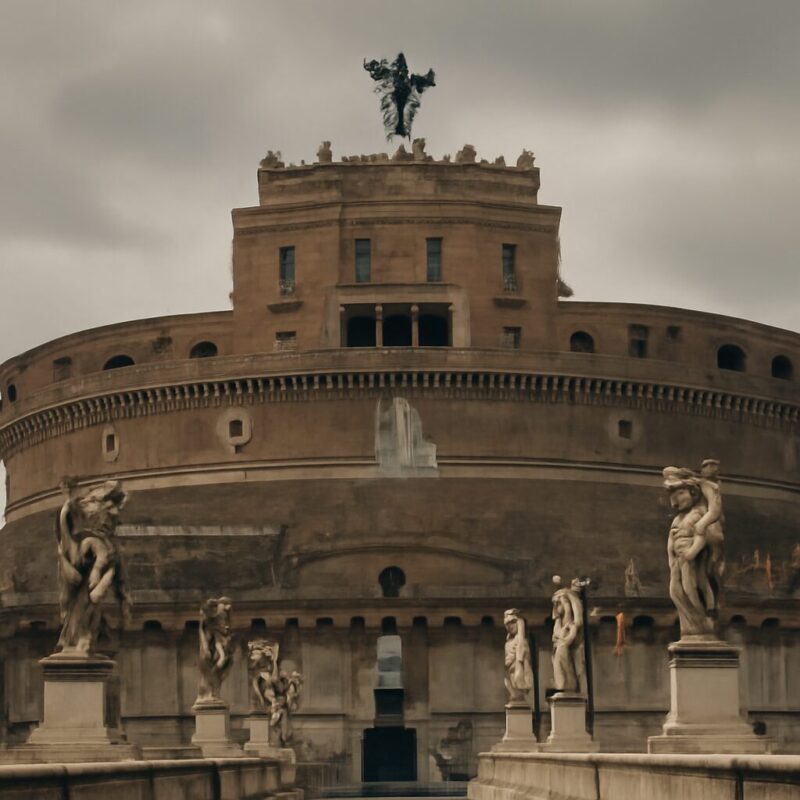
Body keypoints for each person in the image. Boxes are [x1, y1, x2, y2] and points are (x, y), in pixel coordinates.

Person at [55, 480, 131, 656]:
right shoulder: (88, 540)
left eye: (114, 516)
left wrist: (99, 575)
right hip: (83, 595)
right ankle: (80, 639)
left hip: (88, 596)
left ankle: (83, 638)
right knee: (82, 614)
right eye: (110, 515)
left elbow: (107, 561)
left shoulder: (99, 542)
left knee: (88, 612)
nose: (114, 518)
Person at [503, 608, 533, 703]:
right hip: (510, 669)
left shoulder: (521, 640)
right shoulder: (508, 642)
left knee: (518, 683)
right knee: (508, 681)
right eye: (507, 624)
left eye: (513, 622)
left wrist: (519, 663)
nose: (510, 626)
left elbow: (521, 649)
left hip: (518, 668)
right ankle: (514, 694)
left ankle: (518, 694)